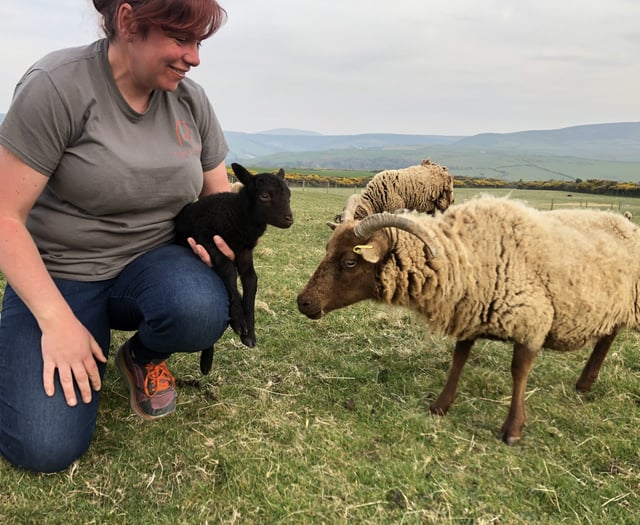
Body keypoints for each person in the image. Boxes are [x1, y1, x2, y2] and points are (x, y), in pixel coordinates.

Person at [0, 0, 233, 473]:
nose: (194, 57)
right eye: (181, 39)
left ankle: (140, 356)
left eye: (199, 42)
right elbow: (5, 215)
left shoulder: (191, 99)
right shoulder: (57, 86)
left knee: (201, 305)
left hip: (150, 269)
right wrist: (56, 321)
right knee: (44, 448)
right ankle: (57, 339)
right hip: (62, 274)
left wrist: (224, 244)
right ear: (128, 22)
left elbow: (219, 200)